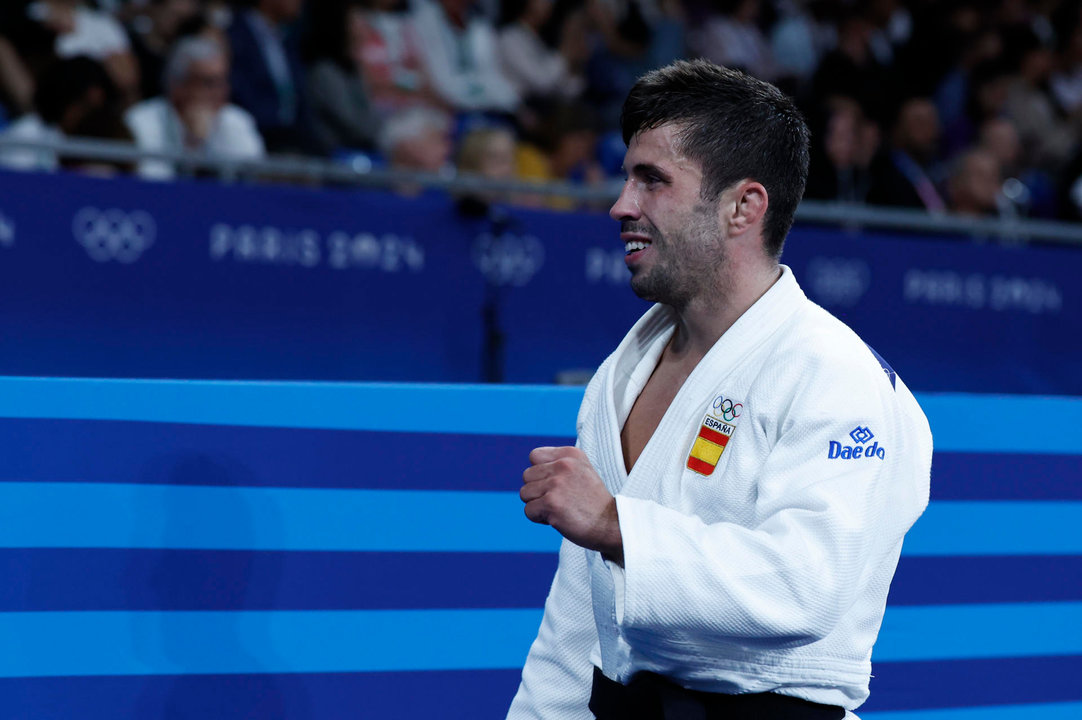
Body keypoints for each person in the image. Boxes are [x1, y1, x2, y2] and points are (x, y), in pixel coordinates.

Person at [507, 59, 932, 720]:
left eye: (653, 181)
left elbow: (806, 585)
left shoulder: (833, 376)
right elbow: (578, 628)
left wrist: (618, 525)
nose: (622, 205)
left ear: (743, 206)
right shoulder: (621, 374)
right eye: (626, 178)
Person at [124, 36, 265, 179]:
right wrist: (192, 145)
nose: (221, 92)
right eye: (209, 83)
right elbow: (150, 182)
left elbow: (249, 178)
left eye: (223, 81)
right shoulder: (140, 121)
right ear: (177, 85)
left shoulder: (237, 120)